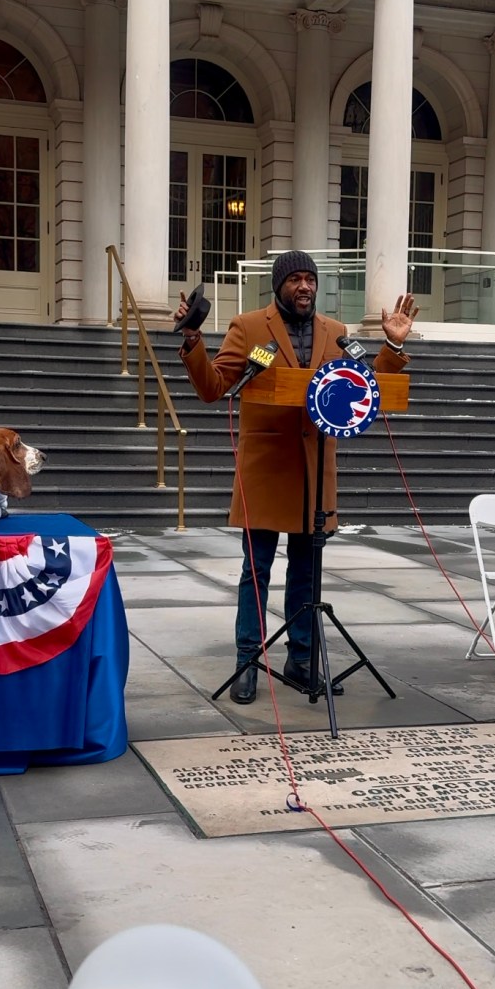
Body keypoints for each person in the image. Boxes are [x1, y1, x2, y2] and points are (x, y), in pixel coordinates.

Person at [175, 250, 418, 704]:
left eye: (310, 279)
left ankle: (302, 659)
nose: (305, 287)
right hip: (266, 466)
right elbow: (213, 387)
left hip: (315, 468)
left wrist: (394, 347)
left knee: (308, 573)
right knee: (257, 571)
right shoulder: (249, 327)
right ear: (279, 285)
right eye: (296, 280)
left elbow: (365, 384)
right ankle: (248, 660)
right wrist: (192, 338)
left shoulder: (337, 333)